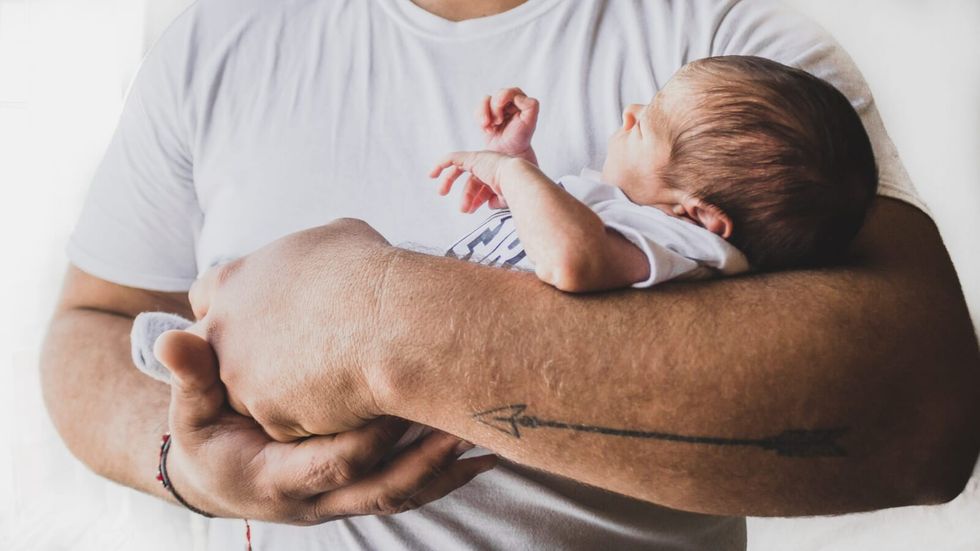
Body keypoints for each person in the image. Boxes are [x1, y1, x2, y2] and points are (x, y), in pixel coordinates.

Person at [40, 1, 980, 550]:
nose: (629, 117)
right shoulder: (216, 39)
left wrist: (377, 319)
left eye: (646, 121)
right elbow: (91, 319)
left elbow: (926, 412)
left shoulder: (745, 69)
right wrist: (186, 466)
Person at [432, 56, 877, 292]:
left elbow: (569, 260)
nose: (630, 111)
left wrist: (510, 173)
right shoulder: (635, 217)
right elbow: (546, 232)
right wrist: (520, 162)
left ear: (696, 215)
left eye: (645, 126)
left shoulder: (684, 246)